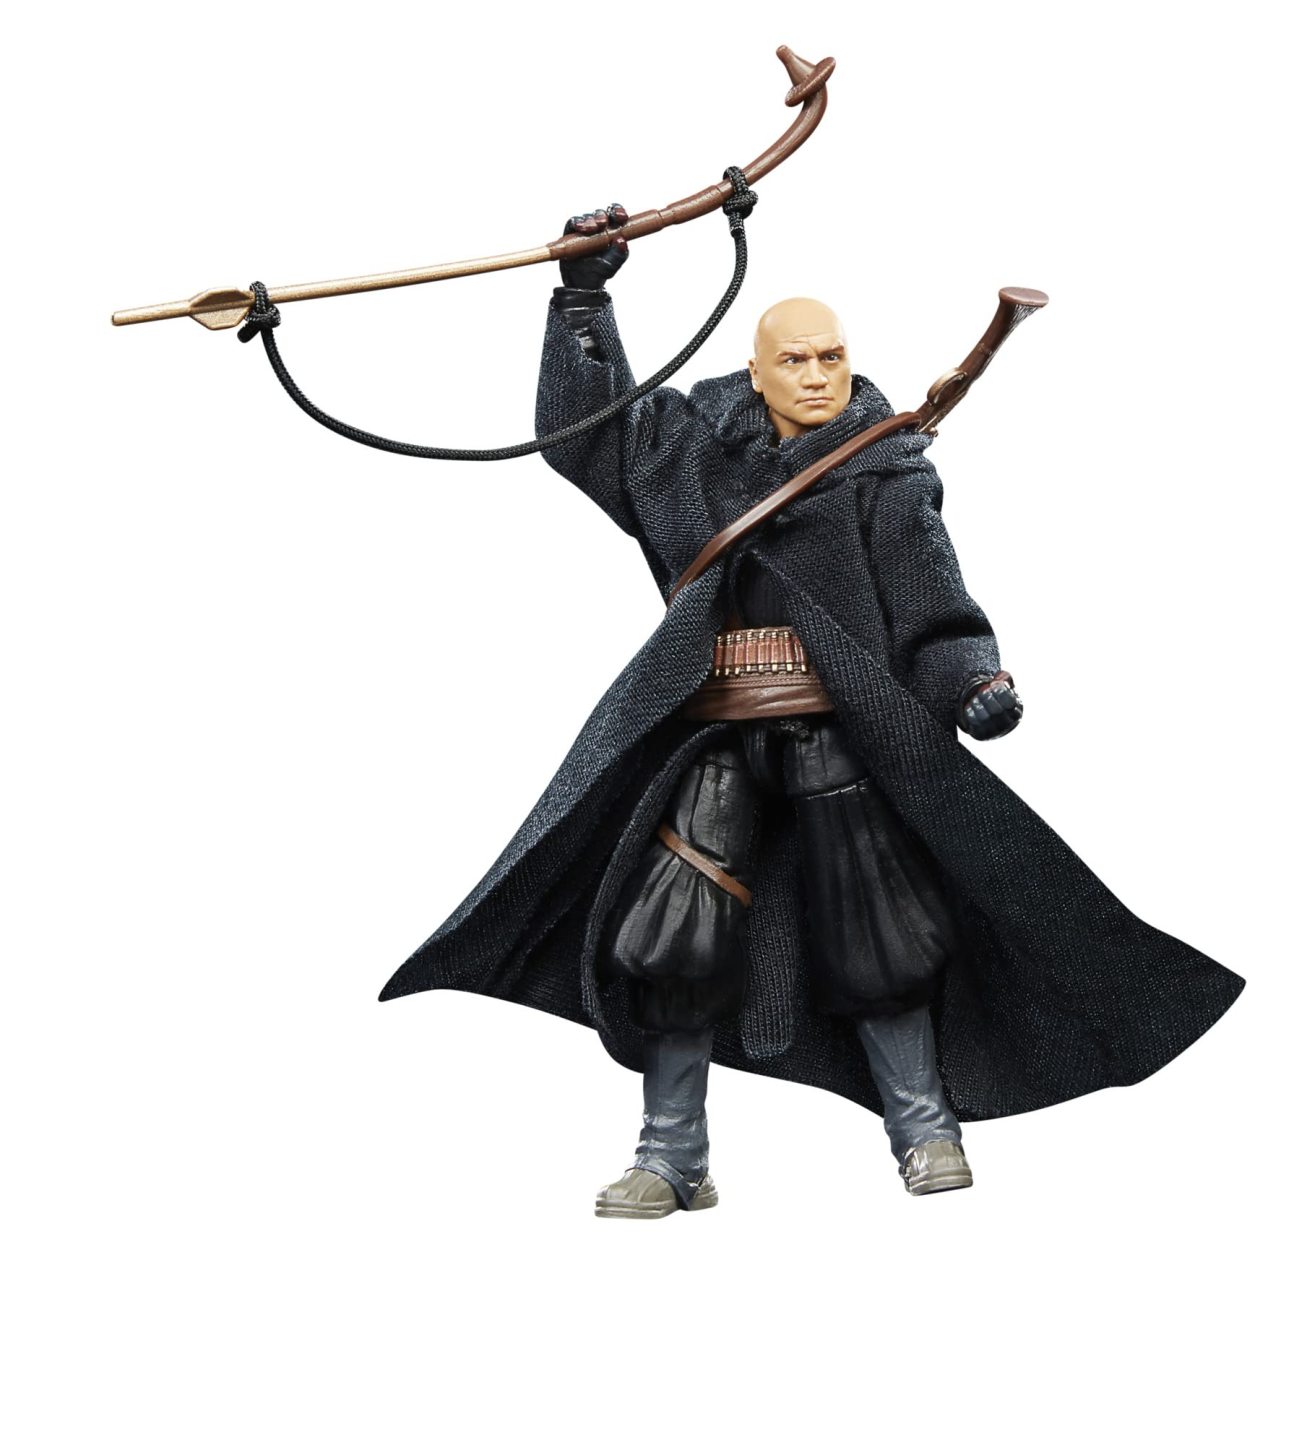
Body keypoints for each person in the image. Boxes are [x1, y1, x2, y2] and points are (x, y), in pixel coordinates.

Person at [378, 205, 1244, 1218]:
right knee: (672, 937)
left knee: (879, 932)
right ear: (756, 372)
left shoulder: (883, 470)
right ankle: (672, 1154)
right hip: (714, 732)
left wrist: (971, 682)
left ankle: (923, 1129)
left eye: (832, 356)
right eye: (794, 359)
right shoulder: (688, 452)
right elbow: (587, 440)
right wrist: (582, 297)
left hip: (842, 732)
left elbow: (931, 604)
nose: (818, 375)